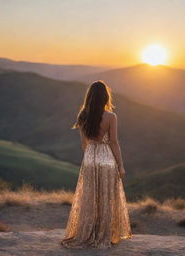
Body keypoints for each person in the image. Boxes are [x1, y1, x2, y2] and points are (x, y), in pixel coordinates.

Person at [60, 80, 133, 249]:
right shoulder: (111, 116)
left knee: (90, 198)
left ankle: (88, 232)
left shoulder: (83, 115)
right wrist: (120, 165)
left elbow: (84, 144)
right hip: (106, 158)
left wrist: (89, 159)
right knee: (106, 198)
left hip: (90, 158)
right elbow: (114, 142)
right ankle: (104, 234)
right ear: (106, 97)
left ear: (90, 97)